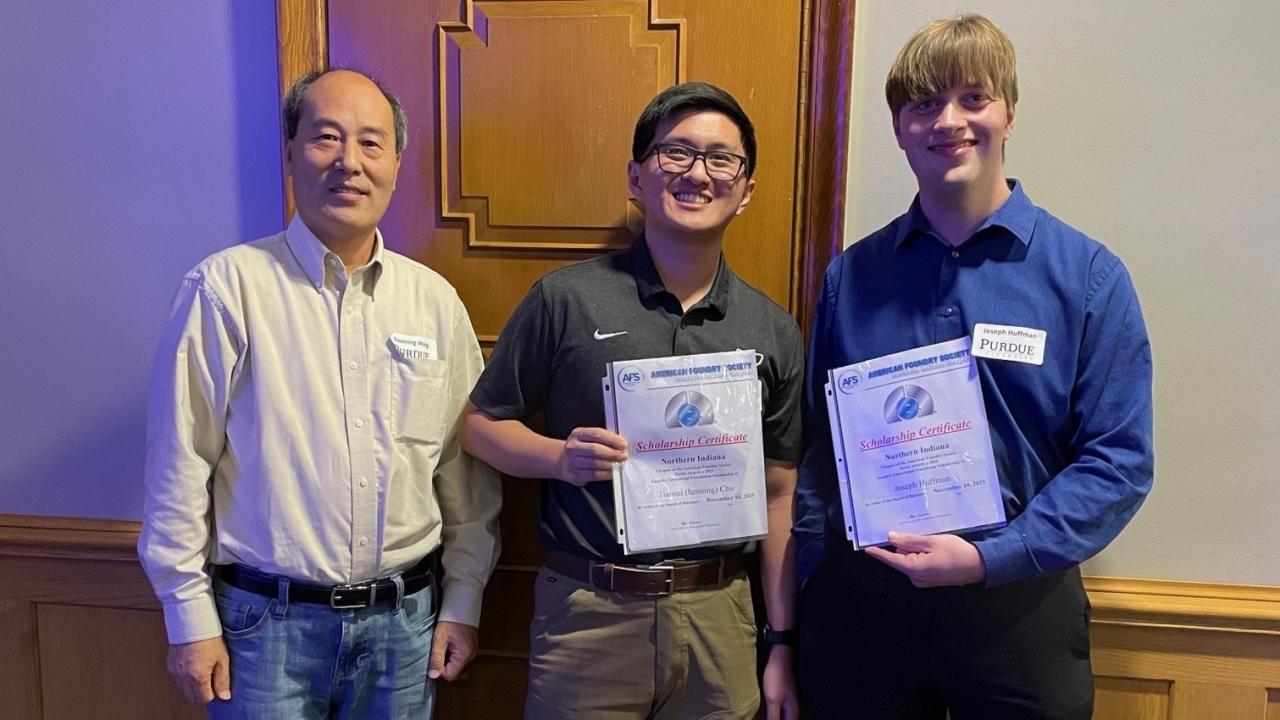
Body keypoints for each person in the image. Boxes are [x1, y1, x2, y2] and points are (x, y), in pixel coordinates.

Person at [793, 15, 1154, 720]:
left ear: (1009, 114)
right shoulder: (849, 278)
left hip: (1019, 610)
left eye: (973, 98)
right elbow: (817, 448)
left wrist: (994, 556)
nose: (948, 121)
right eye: (923, 104)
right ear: (899, 128)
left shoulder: (1087, 278)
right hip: (863, 613)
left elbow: (1118, 460)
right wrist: (813, 576)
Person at [138, 68, 501, 718]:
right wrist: (187, 616)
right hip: (263, 632)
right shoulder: (226, 291)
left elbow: (463, 472)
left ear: (397, 160)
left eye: (370, 142)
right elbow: (179, 465)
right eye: (326, 138)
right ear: (289, 153)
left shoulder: (434, 305)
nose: (349, 163)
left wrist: (465, 600)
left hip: (405, 628)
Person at [463, 82, 802, 720]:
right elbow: (479, 427)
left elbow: (781, 492)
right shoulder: (565, 300)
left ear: (746, 190)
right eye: (675, 152)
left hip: (721, 615)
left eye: (720, 158)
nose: (698, 173)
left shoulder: (773, 329)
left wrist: (782, 641)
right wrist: (558, 457)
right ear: (637, 177)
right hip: (587, 611)